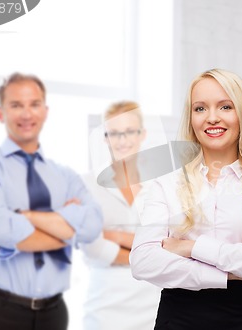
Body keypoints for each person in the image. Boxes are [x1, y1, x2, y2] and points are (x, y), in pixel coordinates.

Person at [130, 68, 242, 330]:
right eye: (200, 109)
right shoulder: (166, 185)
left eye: (225, 106)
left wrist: (191, 248)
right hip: (178, 319)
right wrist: (226, 274)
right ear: (191, 118)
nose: (212, 118)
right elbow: (142, 261)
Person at [0, 73, 102, 330]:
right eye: (16, 105)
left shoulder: (66, 176)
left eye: (34, 104)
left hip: (54, 313)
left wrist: (22, 216)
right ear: (0, 113)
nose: (26, 114)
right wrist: (67, 226)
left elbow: (93, 226)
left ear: (45, 111)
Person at [80, 101, 160, 330]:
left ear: (142, 134)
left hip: (152, 303)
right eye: (114, 133)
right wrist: (148, 253)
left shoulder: (160, 184)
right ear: (105, 137)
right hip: (104, 305)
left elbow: (167, 243)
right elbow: (91, 245)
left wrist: (112, 236)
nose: (122, 140)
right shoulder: (86, 184)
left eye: (129, 132)